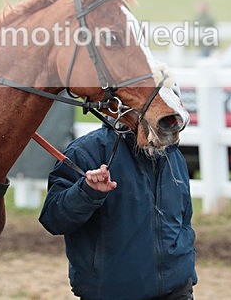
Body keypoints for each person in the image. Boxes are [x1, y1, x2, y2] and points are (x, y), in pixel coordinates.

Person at [39, 121, 197, 300]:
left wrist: (185, 269)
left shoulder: (172, 154)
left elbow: (184, 220)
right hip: (111, 292)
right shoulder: (85, 151)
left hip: (178, 290)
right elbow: (53, 219)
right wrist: (88, 191)